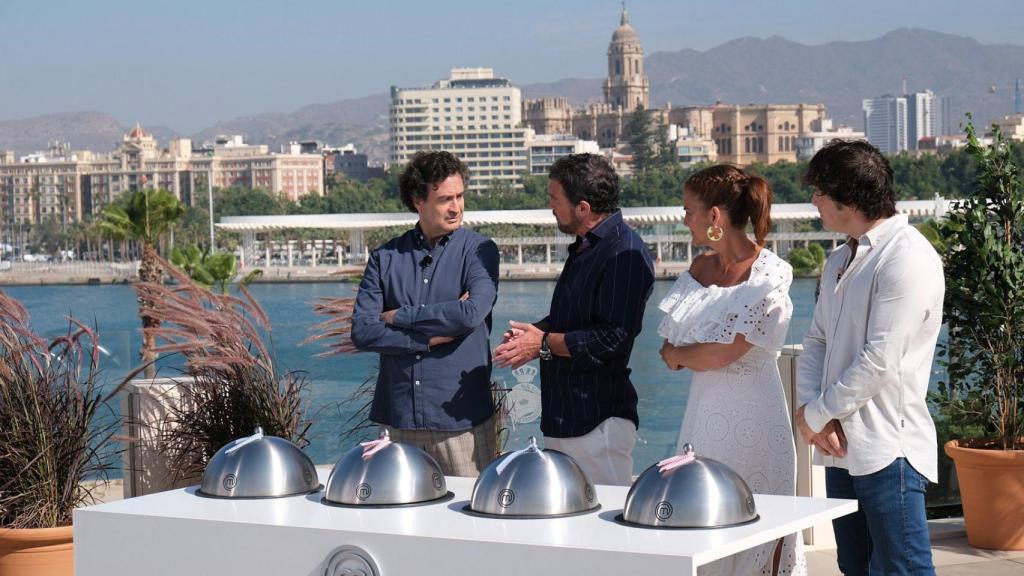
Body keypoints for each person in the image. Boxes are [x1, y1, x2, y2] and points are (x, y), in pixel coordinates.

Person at [796, 140, 942, 575]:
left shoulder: (908, 258)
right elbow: (816, 340)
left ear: (850, 197)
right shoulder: (839, 258)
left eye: (820, 190)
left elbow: (881, 359)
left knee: (904, 569)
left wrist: (817, 414)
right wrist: (813, 412)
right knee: (854, 567)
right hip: (839, 446)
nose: (814, 200)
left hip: (888, 448)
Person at [658, 164, 805, 576]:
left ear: (715, 217)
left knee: (756, 523)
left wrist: (683, 354)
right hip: (702, 418)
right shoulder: (698, 270)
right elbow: (668, 347)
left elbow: (724, 354)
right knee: (701, 519)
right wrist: (688, 353)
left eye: (689, 210)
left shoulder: (771, 273)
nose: (684, 219)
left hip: (756, 420)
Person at [492, 153, 654, 486]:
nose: (550, 206)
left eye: (554, 199)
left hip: (597, 423)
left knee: (604, 533)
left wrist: (542, 344)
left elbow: (613, 337)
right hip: (567, 418)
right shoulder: (587, 247)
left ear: (582, 207)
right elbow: (577, 318)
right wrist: (536, 333)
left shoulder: (624, 253)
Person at [350, 150, 500, 477]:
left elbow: (470, 314)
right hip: (398, 421)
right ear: (419, 201)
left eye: (460, 196)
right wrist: (428, 339)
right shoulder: (384, 257)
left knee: (471, 523)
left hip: (462, 424)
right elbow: (362, 332)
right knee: (401, 520)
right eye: (445, 198)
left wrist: (399, 315)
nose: (456, 206)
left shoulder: (480, 251)